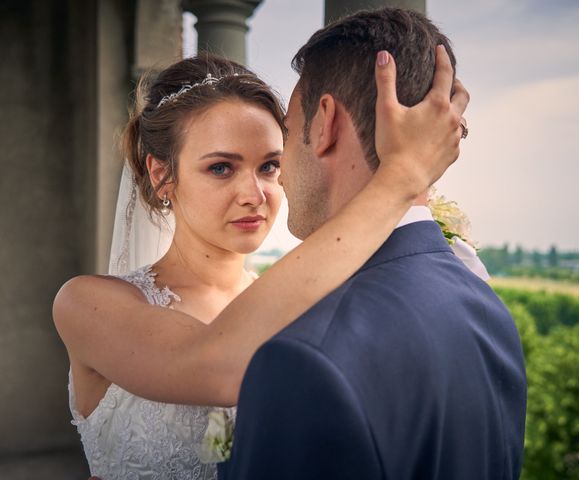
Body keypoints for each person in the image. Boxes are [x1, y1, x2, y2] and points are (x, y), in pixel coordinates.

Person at [53, 27, 469, 480]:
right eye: (221, 168)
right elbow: (216, 365)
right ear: (161, 175)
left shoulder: (307, 306)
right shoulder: (87, 304)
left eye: (270, 165)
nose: (256, 194)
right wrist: (402, 177)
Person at [223, 8, 527, 480]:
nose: (279, 170)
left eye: (286, 133)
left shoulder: (303, 360)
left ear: (325, 122)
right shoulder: (485, 307)